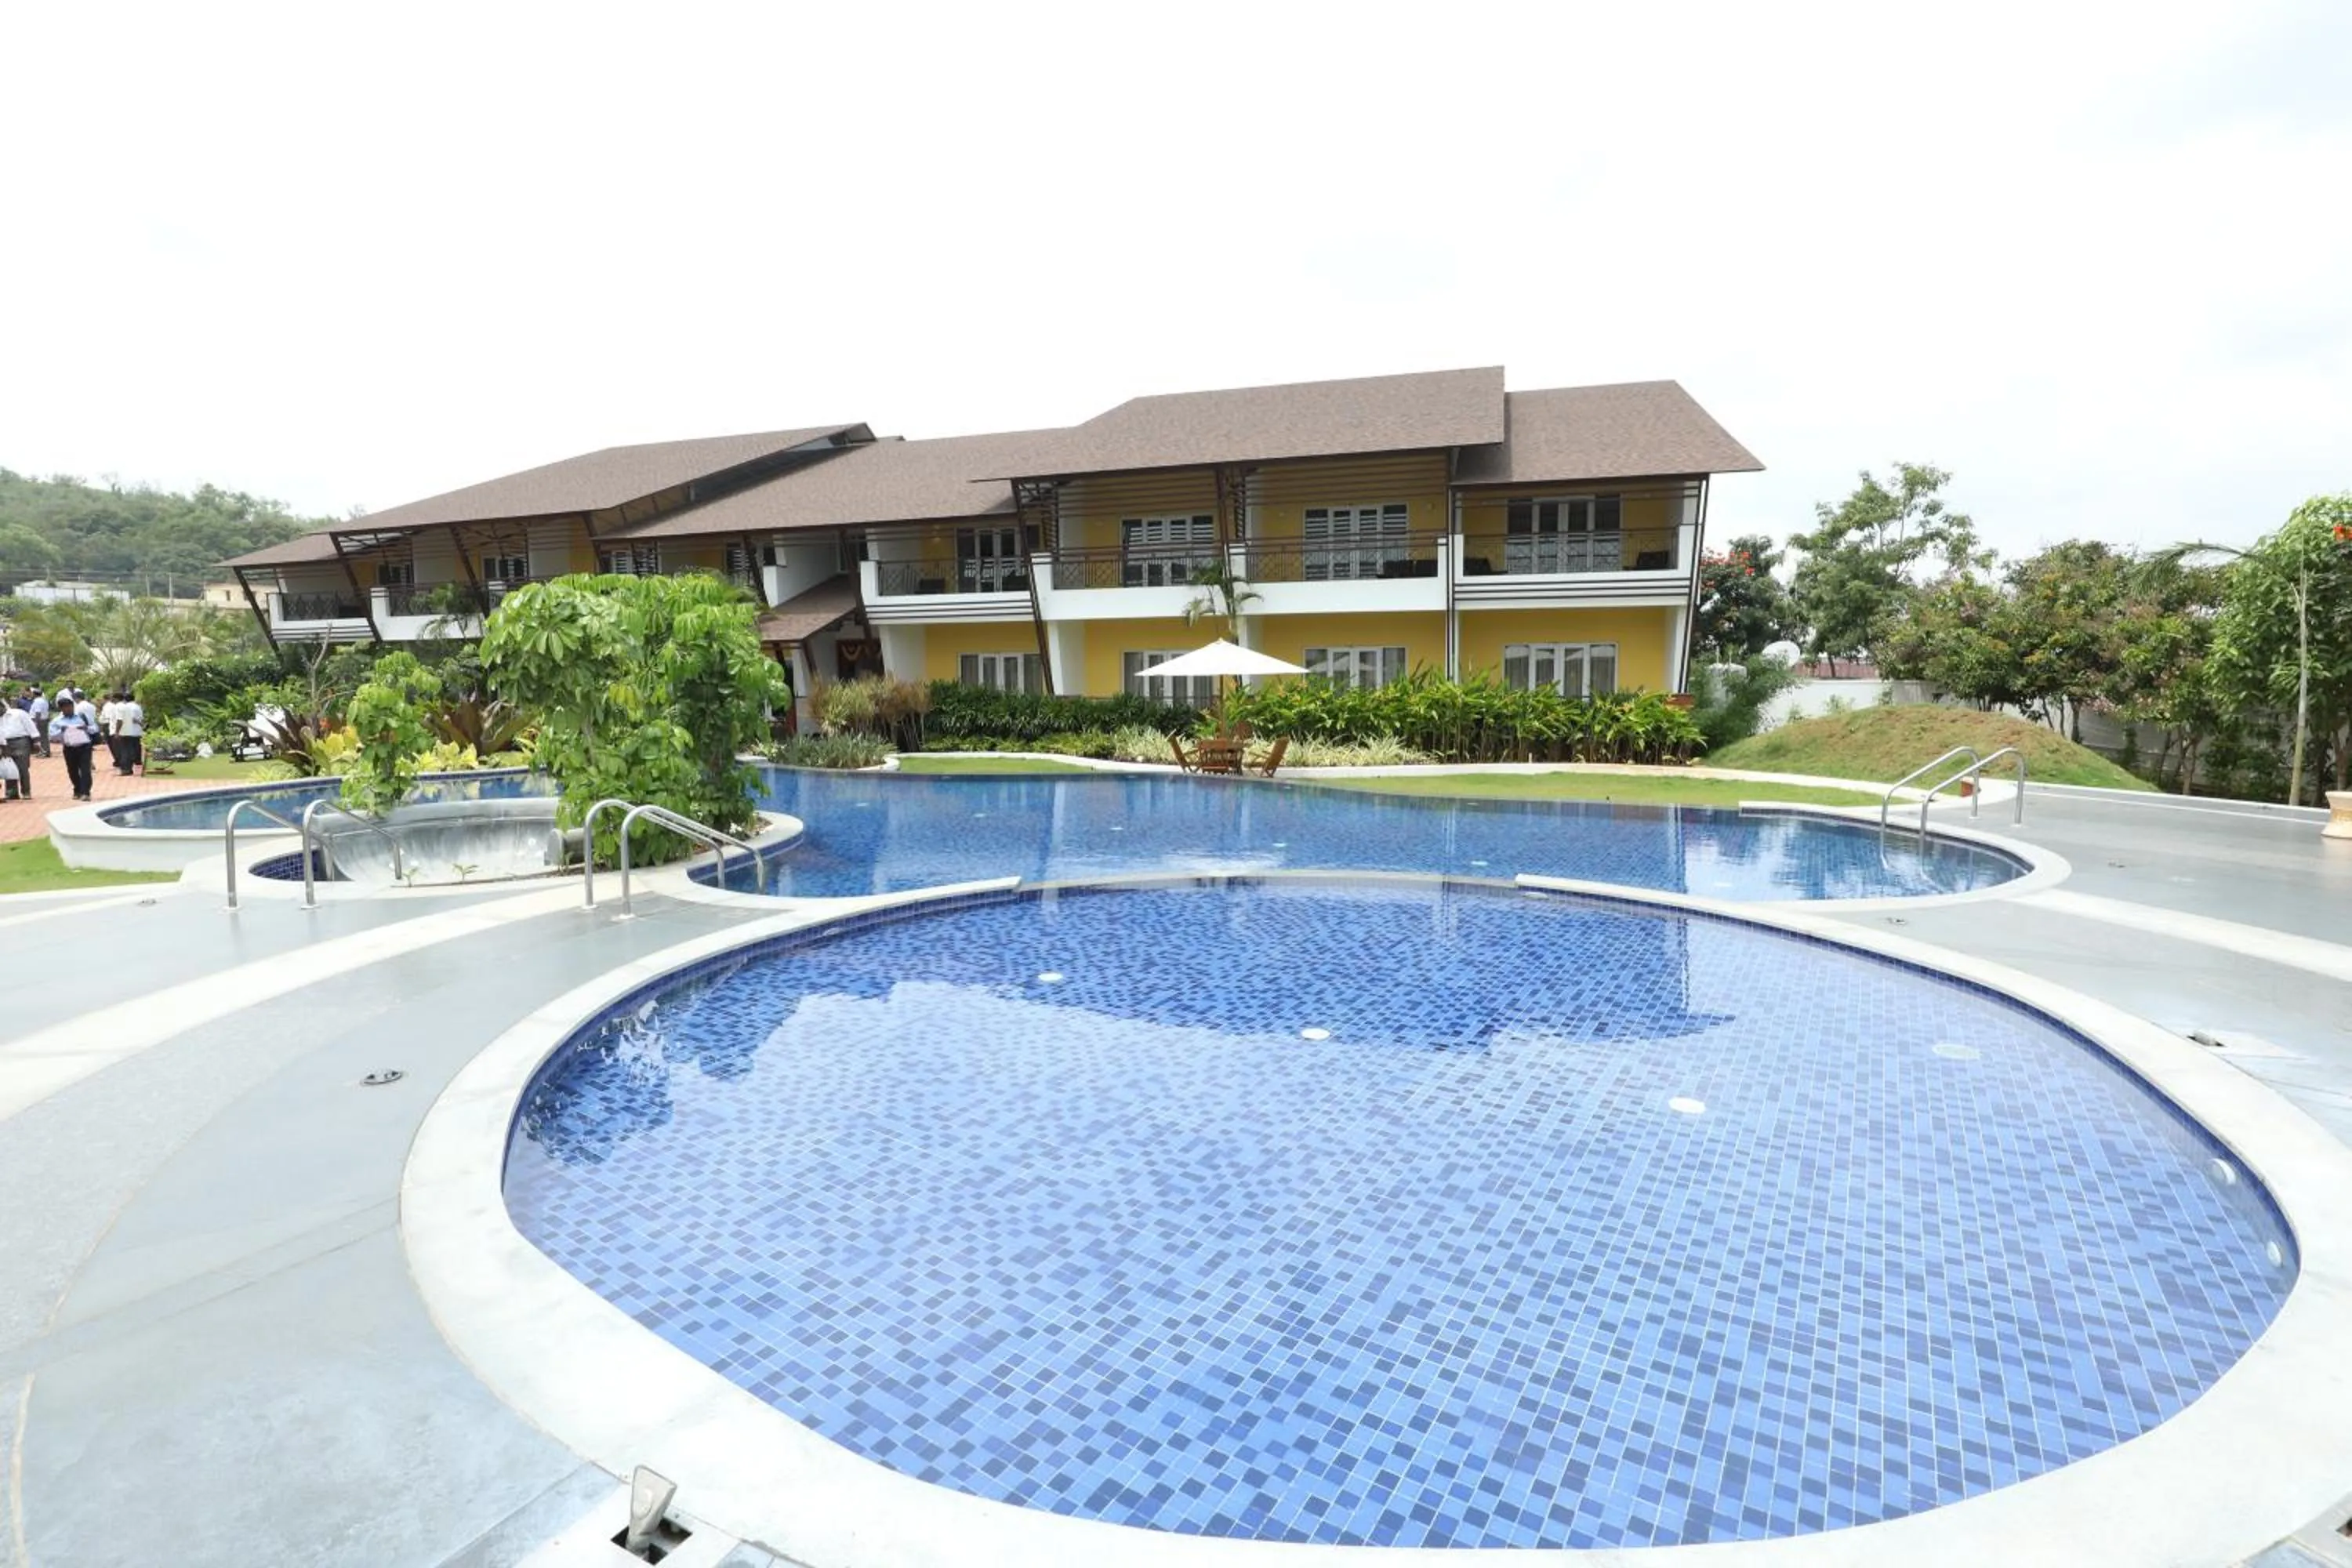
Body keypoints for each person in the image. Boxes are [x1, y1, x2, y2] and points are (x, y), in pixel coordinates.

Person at [49, 700, 97, 800]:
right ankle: (77, 789)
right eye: (66, 707)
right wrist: (61, 731)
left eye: (70, 707)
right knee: (72, 770)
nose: (69, 709)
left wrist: (86, 728)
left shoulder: (82, 717)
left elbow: (95, 728)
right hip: (69, 747)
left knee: (85, 770)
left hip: (84, 746)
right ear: (61, 709)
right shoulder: (57, 721)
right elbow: (52, 736)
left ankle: (86, 793)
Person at [0, 701, 35, 799]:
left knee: (22, 767)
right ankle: (12, 792)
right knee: (9, 767)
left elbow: (30, 726)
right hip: (5, 743)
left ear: (2, 706)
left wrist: (36, 741)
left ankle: (26, 792)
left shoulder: (19, 713)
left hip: (21, 742)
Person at [114, 690, 144, 775]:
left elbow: (128, 719)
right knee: (134, 748)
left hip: (127, 731)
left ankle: (126, 769)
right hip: (135, 730)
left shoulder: (125, 707)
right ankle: (136, 762)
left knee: (125, 751)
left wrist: (117, 732)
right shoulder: (137, 706)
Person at [98, 691, 123, 774]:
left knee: (112, 744)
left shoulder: (107, 706)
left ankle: (118, 760)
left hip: (107, 725)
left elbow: (106, 718)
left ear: (105, 699)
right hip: (110, 725)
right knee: (114, 744)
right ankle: (118, 760)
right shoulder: (114, 706)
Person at [27, 688, 49, 757]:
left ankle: (44, 752)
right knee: (44, 737)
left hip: (39, 721)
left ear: (34, 694)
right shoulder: (44, 700)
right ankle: (45, 751)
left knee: (41, 737)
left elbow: (38, 713)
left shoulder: (37, 702)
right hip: (44, 720)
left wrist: (36, 722)